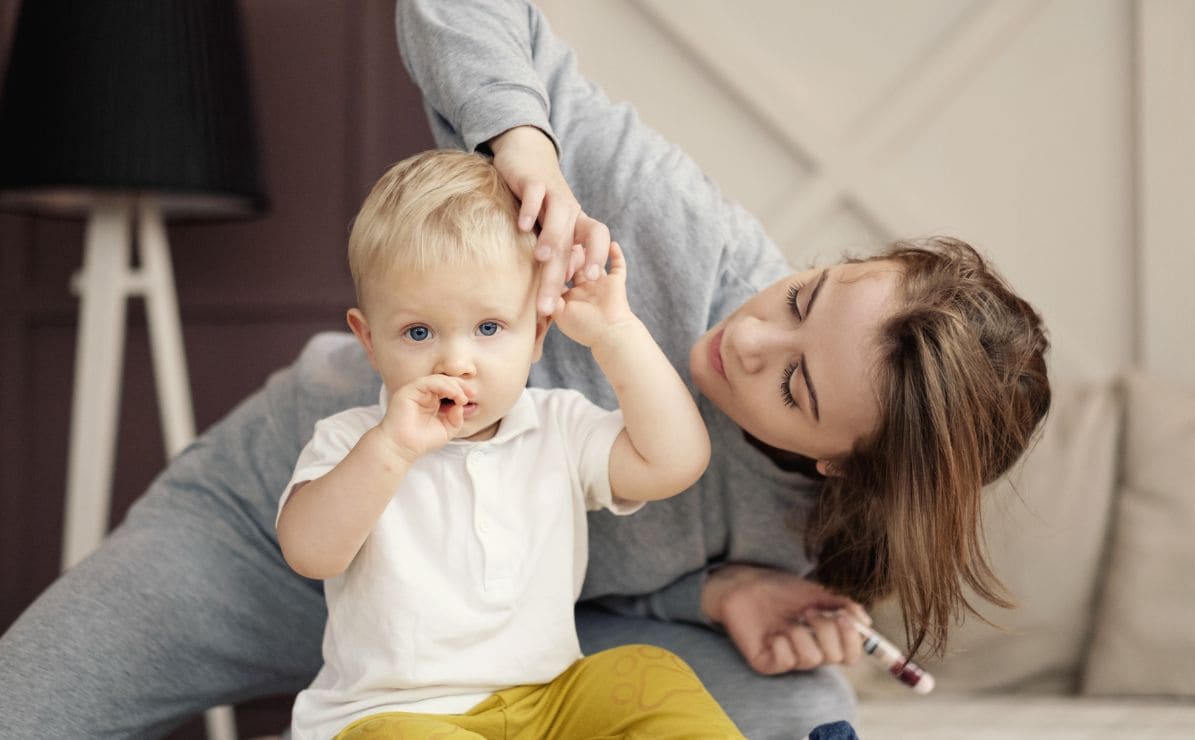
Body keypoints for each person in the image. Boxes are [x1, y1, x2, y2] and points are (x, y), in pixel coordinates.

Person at [0, 1, 1048, 738]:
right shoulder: (683, 237)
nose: (750, 335)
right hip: (274, 534)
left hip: (505, 646)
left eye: (796, 388)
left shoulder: (811, 538)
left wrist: (721, 591)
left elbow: (637, 559)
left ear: (838, 467)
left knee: (799, 703)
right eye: (806, 292)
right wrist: (529, 141)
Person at [278, 148, 736, 739]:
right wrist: (390, 449)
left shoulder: (559, 428)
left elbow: (676, 461)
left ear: (537, 332)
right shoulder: (351, 442)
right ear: (370, 342)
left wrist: (616, 335)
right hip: (395, 716)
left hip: (549, 704)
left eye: (489, 328)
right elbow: (310, 552)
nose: (456, 361)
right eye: (418, 332)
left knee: (650, 672)